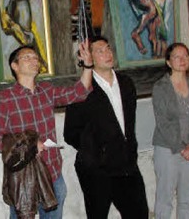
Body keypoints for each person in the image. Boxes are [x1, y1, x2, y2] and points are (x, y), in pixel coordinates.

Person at [0, 42, 93, 218]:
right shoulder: (4, 98)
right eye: (27, 57)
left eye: (36, 58)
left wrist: (88, 66)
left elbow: (79, 92)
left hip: (53, 173)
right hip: (22, 177)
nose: (34, 61)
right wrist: (28, 146)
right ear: (15, 66)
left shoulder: (46, 90)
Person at [64, 36, 149, 218]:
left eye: (108, 48)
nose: (107, 53)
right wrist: (96, 150)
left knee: (139, 214)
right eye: (100, 51)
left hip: (126, 165)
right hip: (96, 169)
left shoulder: (126, 84)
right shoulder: (82, 90)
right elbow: (70, 133)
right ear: (89, 58)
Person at [152, 43, 189, 219]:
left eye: (185, 56)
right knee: (165, 199)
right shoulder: (160, 87)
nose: (182, 60)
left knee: (187, 199)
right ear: (168, 62)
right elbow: (163, 122)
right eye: (177, 56)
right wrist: (181, 147)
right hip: (168, 148)